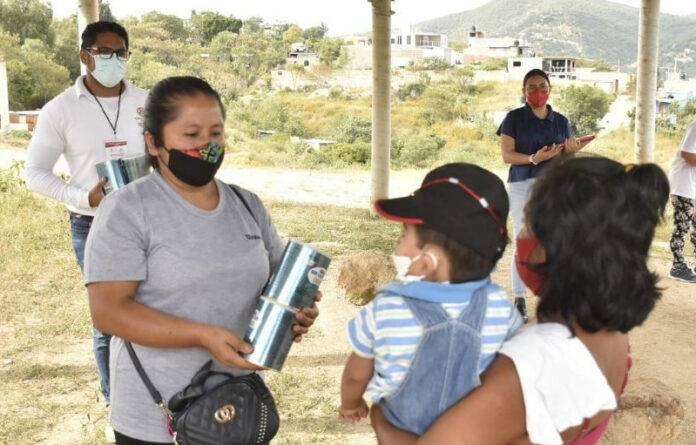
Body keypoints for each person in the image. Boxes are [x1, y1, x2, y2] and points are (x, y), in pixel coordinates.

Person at [83, 76, 320, 445]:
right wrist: (202, 336)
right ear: (154, 142)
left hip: (237, 405)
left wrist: (297, 313)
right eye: (191, 135)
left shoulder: (246, 205)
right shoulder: (127, 208)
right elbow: (108, 312)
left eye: (216, 133)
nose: (207, 146)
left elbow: (278, 287)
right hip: (159, 417)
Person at [369, 156, 669, 445]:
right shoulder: (610, 332)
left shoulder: (531, 363)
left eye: (528, 223)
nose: (520, 239)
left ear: (557, 244)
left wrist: (381, 412)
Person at [338, 163, 523, 435]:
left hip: (401, 429)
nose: (397, 245)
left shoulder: (385, 309)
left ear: (427, 262)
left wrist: (351, 404)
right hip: (472, 433)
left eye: (403, 236)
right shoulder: (502, 310)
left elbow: (356, 375)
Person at [25, 21, 148, 409]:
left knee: (155, 310)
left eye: (122, 53)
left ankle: (156, 397)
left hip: (148, 222)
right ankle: (118, 405)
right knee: (109, 321)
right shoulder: (59, 110)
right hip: (93, 225)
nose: (115, 60)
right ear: (85, 56)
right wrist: (85, 198)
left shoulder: (148, 102)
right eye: (106, 53)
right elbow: (35, 175)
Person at [497, 69, 592, 322]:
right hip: (521, 184)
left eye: (541, 86)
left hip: (552, 186)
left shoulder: (561, 121)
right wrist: (533, 158)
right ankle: (519, 298)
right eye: (531, 87)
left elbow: (564, 156)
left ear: (550, 89)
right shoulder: (514, 118)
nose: (537, 91)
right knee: (524, 240)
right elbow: (507, 155)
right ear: (524, 91)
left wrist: (570, 151)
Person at [667, 119, 696, 282]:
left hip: (692, 185)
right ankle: (677, 267)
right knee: (682, 225)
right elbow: (687, 154)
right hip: (682, 184)